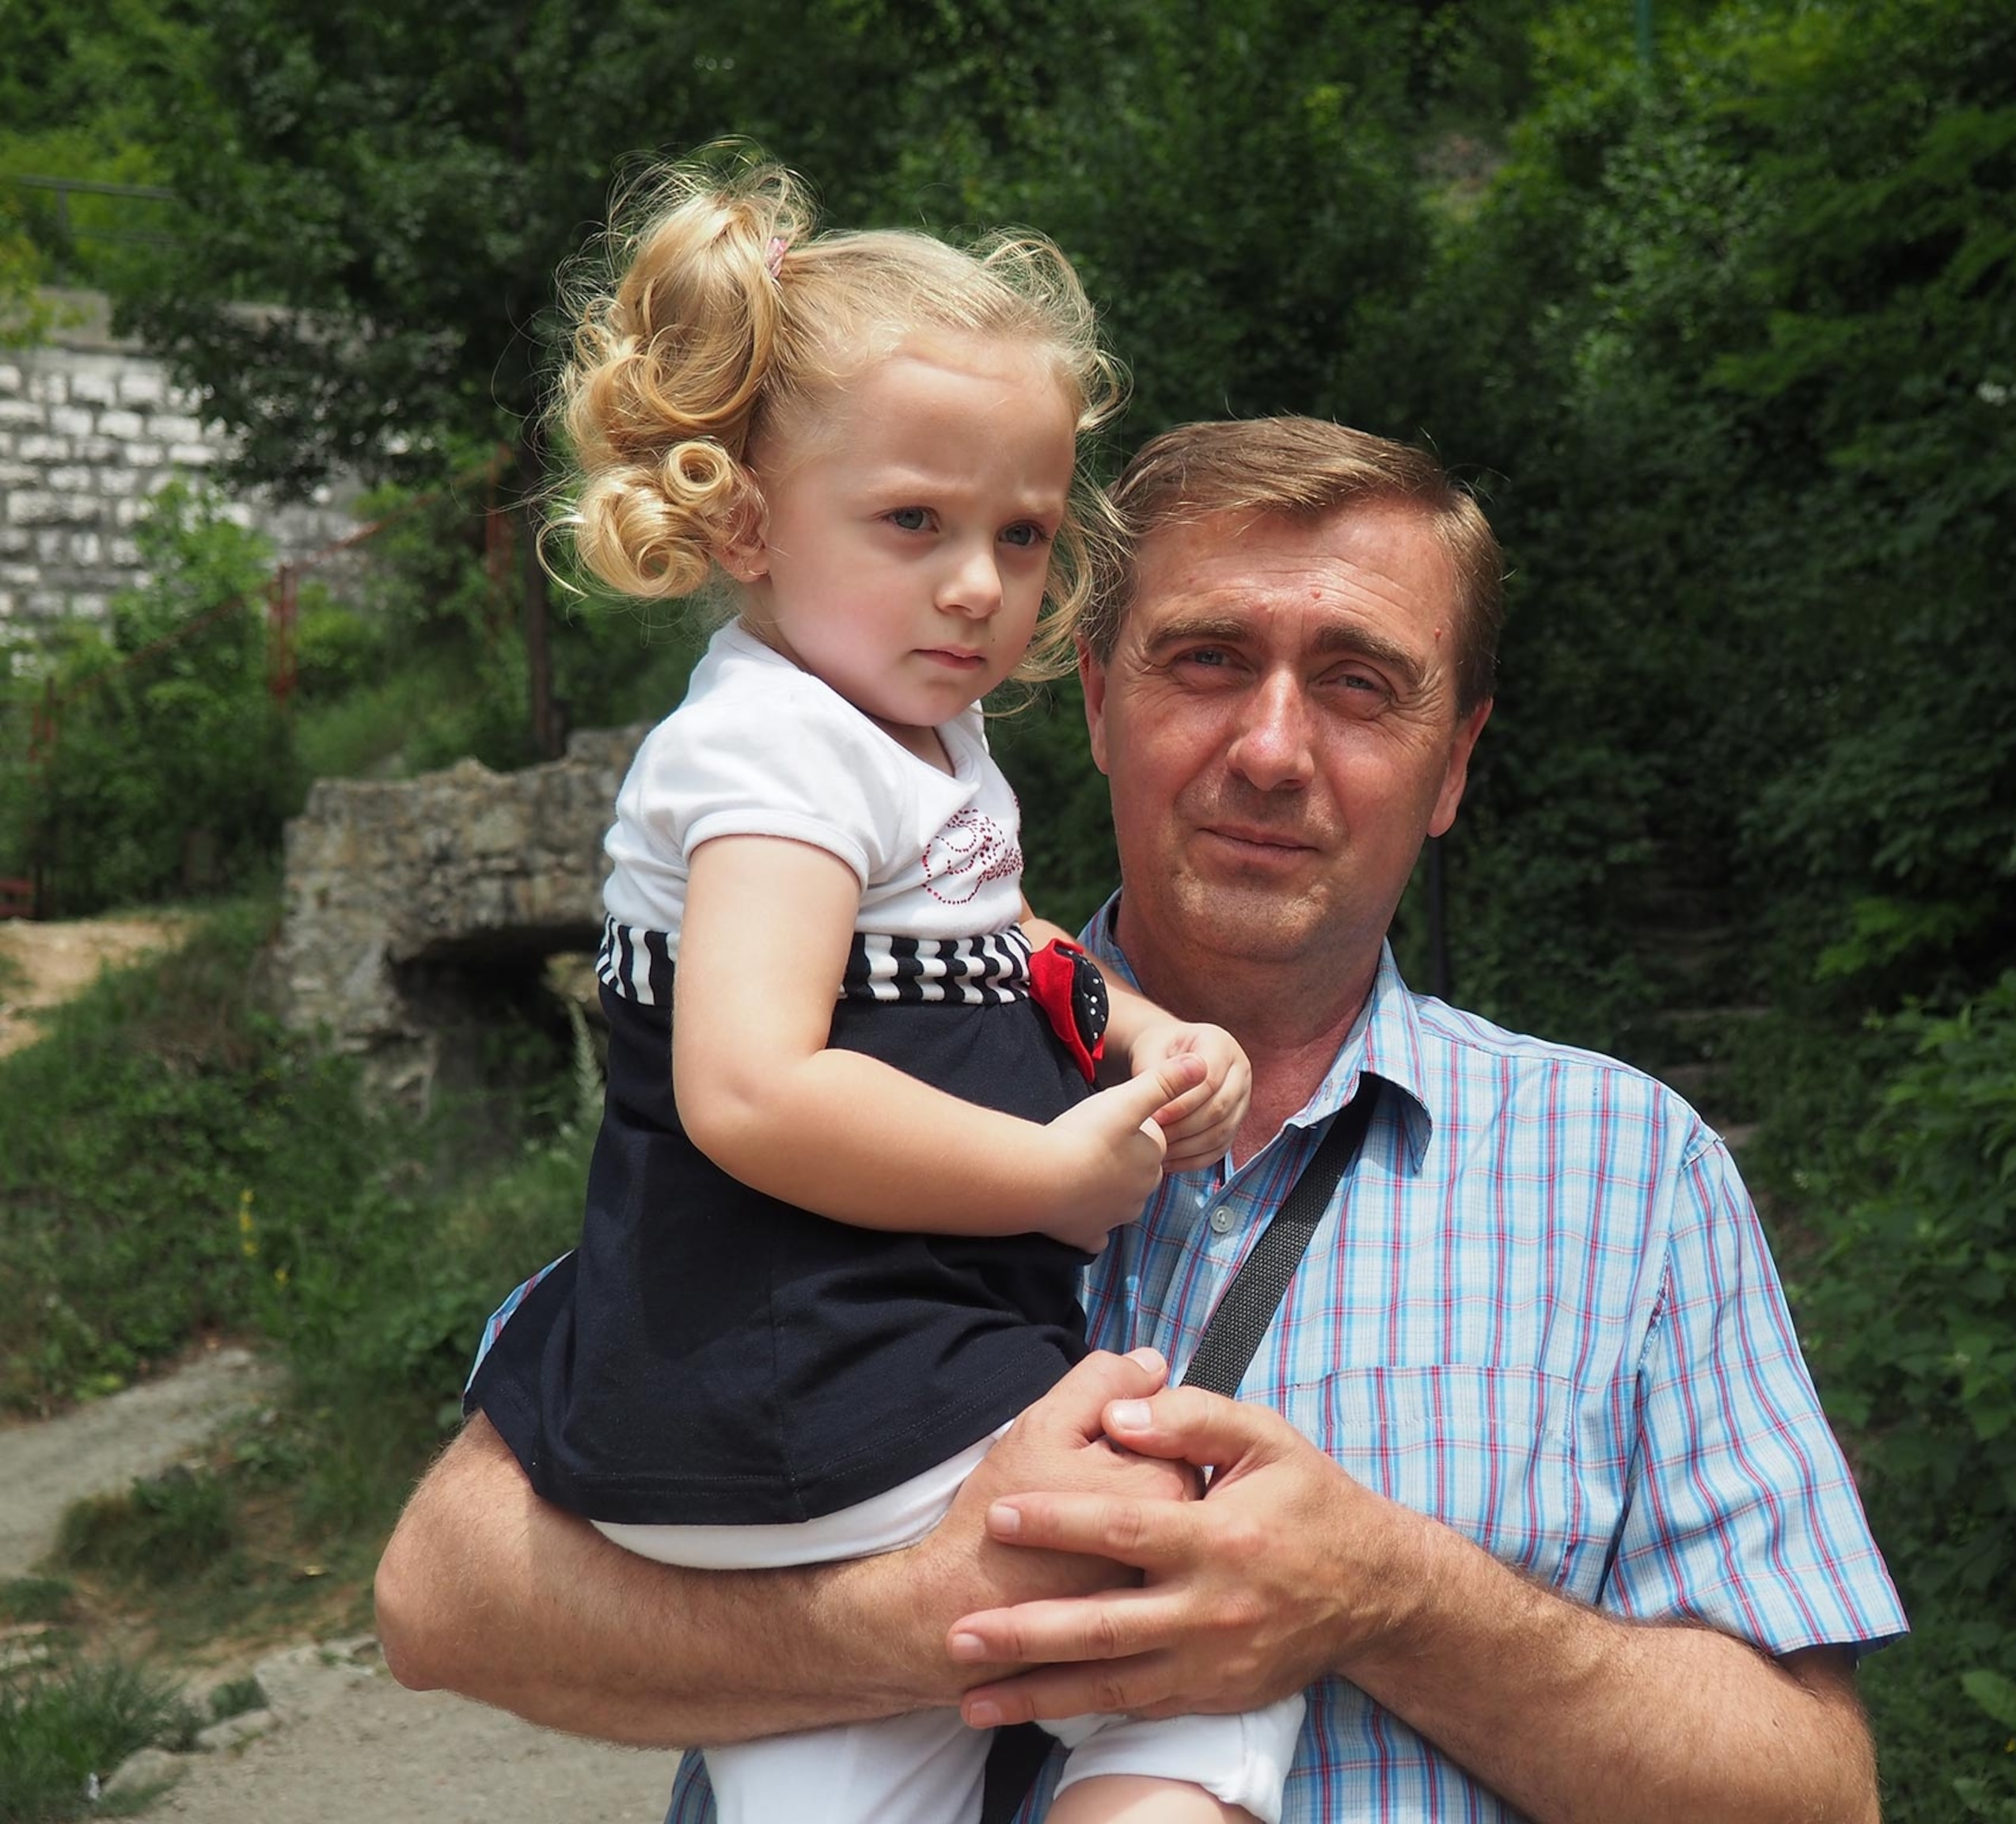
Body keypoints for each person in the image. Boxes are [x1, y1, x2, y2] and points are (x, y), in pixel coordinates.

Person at [378, 416, 1910, 1823]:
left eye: (1361, 686)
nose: (1268, 749)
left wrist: (1386, 1601)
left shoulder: (1626, 1174)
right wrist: (921, 1616)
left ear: (1453, 770)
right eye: (1206, 662)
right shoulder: (843, 1063)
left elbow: (1812, 1791)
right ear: (1099, 704)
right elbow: (446, 1597)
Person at [460, 158, 1304, 1824]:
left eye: (1021, 534)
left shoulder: (890, 737)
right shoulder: (771, 755)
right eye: (915, 523)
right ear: (752, 524)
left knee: (856, 1774)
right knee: (1201, 1608)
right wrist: (1055, 1175)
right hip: (809, 1374)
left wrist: (1127, 1019)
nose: (980, 586)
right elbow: (752, 1089)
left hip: (799, 1385)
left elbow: (984, 931)